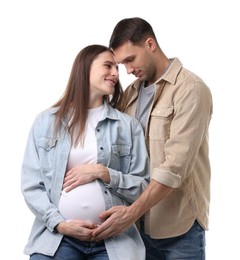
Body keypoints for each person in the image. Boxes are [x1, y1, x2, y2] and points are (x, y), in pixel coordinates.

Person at [92, 17, 213, 260]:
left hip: (179, 228)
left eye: (130, 59)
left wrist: (131, 213)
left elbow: (174, 167)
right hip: (137, 230)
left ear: (150, 44)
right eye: (120, 63)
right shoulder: (132, 93)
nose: (127, 70)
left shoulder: (191, 89)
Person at [21, 44, 150, 260]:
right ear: (85, 68)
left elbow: (143, 186)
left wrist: (104, 173)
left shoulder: (128, 126)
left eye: (117, 68)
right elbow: (32, 185)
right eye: (108, 66)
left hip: (114, 241)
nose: (116, 74)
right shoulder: (46, 122)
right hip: (58, 238)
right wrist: (60, 224)